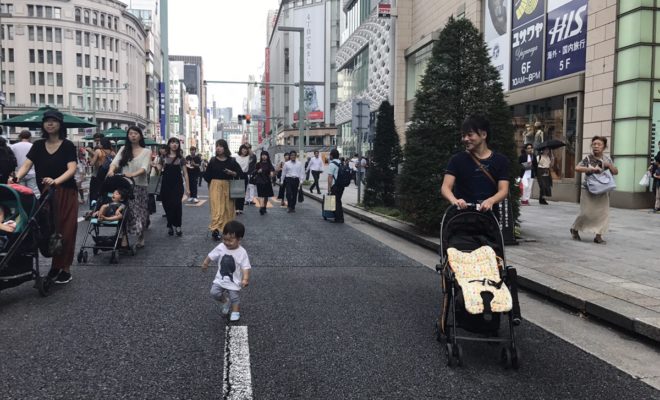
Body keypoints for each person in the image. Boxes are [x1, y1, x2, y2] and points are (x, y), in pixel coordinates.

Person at [13, 110, 79, 284]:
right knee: (47, 230)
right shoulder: (38, 145)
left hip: (66, 192)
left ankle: (64, 269)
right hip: (45, 194)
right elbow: (26, 165)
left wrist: (55, 181)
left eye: (54, 121)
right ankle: (56, 266)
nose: (50, 124)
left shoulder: (68, 145)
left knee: (65, 230)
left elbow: (72, 169)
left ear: (60, 124)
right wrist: (16, 178)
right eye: (47, 121)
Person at [440, 115, 510, 213]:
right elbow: (445, 187)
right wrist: (455, 201)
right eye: (463, 135)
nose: (465, 139)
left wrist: (491, 200)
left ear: (484, 135)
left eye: (470, 135)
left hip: (489, 218)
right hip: (461, 217)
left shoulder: (501, 160)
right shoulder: (456, 160)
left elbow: (503, 190)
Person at [107, 126, 152, 249]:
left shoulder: (146, 151)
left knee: (139, 213)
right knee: (124, 211)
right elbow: (114, 163)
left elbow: (144, 168)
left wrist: (132, 174)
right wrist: (111, 171)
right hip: (125, 185)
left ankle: (141, 236)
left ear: (140, 136)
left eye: (135, 133)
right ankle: (124, 237)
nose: (133, 135)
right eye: (130, 133)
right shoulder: (123, 149)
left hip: (140, 186)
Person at [570, 136, 619, 244]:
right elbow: (577, 168)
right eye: (594, 144)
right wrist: (590, 169)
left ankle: (598, 236)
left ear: (604, 147)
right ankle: (575, 228)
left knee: (603, 213)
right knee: (586, 213)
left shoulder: (607, 159)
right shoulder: (588, 158)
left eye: (599, 144)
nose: (596, 146)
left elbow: (615, 172)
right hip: (588, 189)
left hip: (603, 189)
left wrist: (609, 166)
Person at [202, 220, 251, 323]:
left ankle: (235, 312)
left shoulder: (242, 252)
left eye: (230, 240)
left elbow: (245, 266)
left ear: (239, 239)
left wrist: (245, 278)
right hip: (220, 278)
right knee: (214, 293)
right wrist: (206, 263)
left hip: (234, 280)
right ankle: (225, 301)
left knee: (234, 297)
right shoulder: (221, 247)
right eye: (225, 239)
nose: (227, 242)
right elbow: (211, 255)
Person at [203, 139, 241, 241]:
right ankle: (215, 230)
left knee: (228, 209)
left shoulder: (232, 160)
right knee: (217, 209)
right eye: (217, 146)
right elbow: (207, 176)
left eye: (220, 146)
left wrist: (231, 173)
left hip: (228, 185)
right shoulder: (212, 160)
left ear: (225, 148)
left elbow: (239, 173)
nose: (218, 148)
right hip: (215, 186)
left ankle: (227, 230)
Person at [160, 137, 191, 236]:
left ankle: (178, 226)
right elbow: (158, 170)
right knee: (167, 205)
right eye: (173, 142)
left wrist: (188, 188)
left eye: (177, 143)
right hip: (165, 185)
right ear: (169, 144)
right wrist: (155, 166)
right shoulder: (163, 157)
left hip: (177, 185)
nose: (175, 144)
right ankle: (170, 225)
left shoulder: (181, 158)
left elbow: (185, 174)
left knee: (177, 205)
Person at [10, 130, 39, 195]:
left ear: (20, 137)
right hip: (32, 172)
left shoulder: (13, 146)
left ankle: (22, 204)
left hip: (18, 173)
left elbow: (11, 160)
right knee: (34, 192)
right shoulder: (33, 146)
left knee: (20, 192)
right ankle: (34, 204)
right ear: (30, 137)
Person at [88, 137, 114, 206]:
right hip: (108, 176)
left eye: (99, 143)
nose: (98, 144)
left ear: (102, 144)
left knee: (94, 192)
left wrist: (90, 156)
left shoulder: (98, 151)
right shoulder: (112, 152)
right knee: (105, 192)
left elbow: (92, 163)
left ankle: (93, 208)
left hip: (97, 175)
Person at [327, 149, 345, 223]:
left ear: (331, 155)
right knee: (338, 201)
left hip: (335, 185)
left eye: (330, 155)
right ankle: (340, 217)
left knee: (335, 202)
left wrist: (329, 188)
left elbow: (330, 177)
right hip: (341, 185)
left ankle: (338, 218)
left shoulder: (332, 164)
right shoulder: (341, 163)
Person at [254, 150, 275, 215]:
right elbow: (254, 172)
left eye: (265, 155)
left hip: (267, 181)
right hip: (259, 181)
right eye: (262, 155)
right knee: (261, 195)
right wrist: (258, 171)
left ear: (267, 156)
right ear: (261, 156)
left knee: (266, 196)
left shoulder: (269, 164)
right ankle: (262, 207)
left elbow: (272, 171)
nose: (264, 156)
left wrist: (271, 174)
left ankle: (264, 207)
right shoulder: (258, 164)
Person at [233, 144, 251, 215]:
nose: (244, 150)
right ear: (240, 149)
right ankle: (236, 208)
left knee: (243, 192)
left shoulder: (248, 157)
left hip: (244, 175)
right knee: (237, 192)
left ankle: (241, 208)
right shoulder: (236, 158)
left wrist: (248, 146)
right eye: (243, 149)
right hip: (237, 175)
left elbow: (252, 154)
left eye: (246, 149)